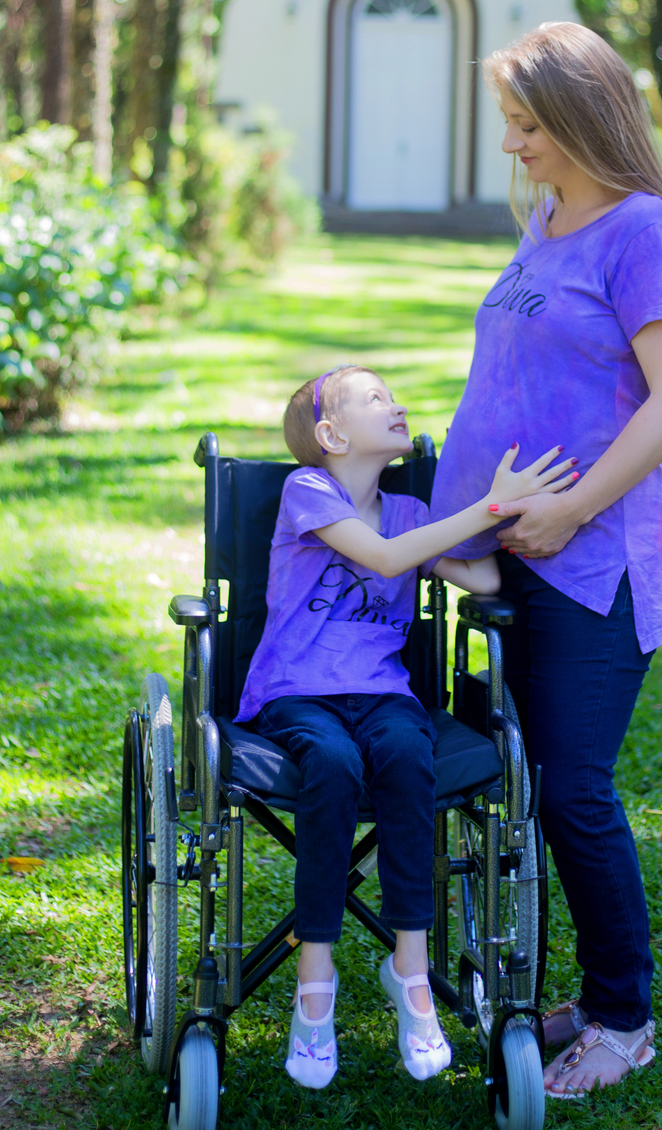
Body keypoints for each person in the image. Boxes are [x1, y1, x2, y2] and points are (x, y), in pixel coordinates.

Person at [430, 21, 662, 1098]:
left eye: (529, 123)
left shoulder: (640, 232)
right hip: (526, 552)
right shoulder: (545, 222)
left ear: (585, 119)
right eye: (509, 121)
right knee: (534, 782)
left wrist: (573, 510)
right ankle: (592, 1002)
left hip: (602, 556)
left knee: (573, 787)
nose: (513, 144)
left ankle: (624, 1020)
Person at [237, 364, 574, 1091]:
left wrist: (517, 518)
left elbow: (480, 581)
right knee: (330, 764)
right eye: (374, 399)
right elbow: (387, 559)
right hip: (299, 695)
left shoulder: (415, 511)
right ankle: (314, 977)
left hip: (386, 695)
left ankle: (411, 972)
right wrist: (489, 505)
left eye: (392, 395)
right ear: (330, 434)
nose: (395, 404)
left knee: (405, 754)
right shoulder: (310, 492)